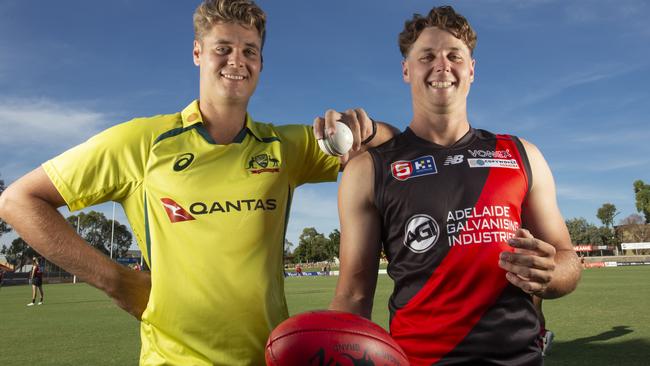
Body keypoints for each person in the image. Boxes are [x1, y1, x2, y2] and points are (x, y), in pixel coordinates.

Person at [0, 1, 395, 364]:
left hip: (266, 359)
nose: (236, 60)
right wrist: (117, 280)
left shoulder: (284, 146)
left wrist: (366, 126)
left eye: (249, 50)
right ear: (197, 53)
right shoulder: (141, 143)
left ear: (261, 62)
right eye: (222, 48)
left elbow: (390, 145)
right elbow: (18, 200)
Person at [329, 6, 582, 365]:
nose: (442, 66)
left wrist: (552, 273)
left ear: (472, 70)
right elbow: (353, 295)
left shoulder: (522, 154)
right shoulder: (368, 169)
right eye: (427, 56)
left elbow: (567, 259)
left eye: (454, 56)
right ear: (406, 70)